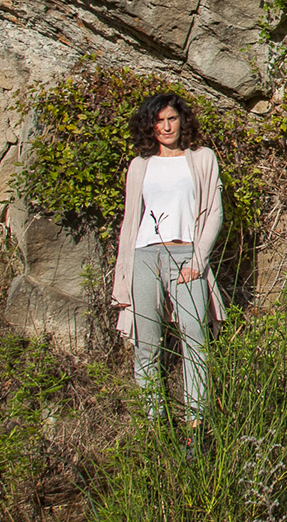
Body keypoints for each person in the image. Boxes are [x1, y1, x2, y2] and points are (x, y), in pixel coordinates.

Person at [110, 91, 226, 440]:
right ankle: (154, 423)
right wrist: (125, 273)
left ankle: (196, 423)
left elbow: (214, 213)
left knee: (195, 337)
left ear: (182, 120)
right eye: (158, 121)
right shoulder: (140, 165)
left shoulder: (202, 158)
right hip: (146, 257)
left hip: (186, 256)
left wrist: (197, 260)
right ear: (150, 126)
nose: (166, 126)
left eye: (171, 119)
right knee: (147, 343)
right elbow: (131, 222)